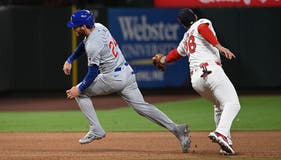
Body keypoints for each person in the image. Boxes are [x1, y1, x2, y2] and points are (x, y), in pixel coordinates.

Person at [62, 9, 190, 153]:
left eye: (75, 26)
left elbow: (92, 72)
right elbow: (83, 45)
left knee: (80, 93)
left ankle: (96, 129)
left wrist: (78, 89)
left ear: (83, 27)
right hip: (127, 73)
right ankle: (177, 129)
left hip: (112, 78)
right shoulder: (99, 27)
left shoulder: (93, 45)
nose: (73, 28)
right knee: (142, 107)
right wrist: (70, 59)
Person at [152, 8, 241, 155]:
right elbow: (202, 28)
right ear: (194, 16)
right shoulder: (201, 23)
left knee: (219, 106)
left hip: (196, 80)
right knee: (233, 103)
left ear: (183, 24)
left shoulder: (186, 37)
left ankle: (226, 143)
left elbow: (176, 54)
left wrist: (163, 59)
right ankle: (221, 133)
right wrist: (218, 46)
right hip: (210, 70)